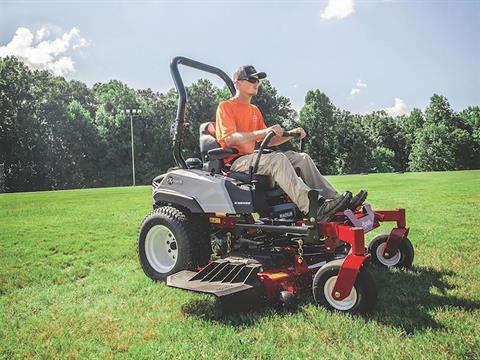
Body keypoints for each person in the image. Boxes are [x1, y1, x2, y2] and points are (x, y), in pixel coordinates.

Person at [215, 65, 367, 221]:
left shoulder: (254, 110)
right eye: (252, 79)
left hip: (254, 158)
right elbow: (229, 138)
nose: (256, 83)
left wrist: (291, 134)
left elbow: (269, 140)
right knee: (278, 159)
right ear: (238, 83)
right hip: (236, 162)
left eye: (258, 80)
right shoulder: (226, 107)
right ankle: (313, 207)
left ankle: (335, 200)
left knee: (302, 158)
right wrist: (265, 131)